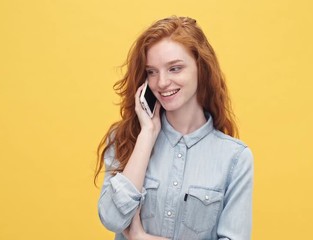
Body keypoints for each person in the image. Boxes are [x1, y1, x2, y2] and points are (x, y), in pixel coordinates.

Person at [95, 16, 254, 240]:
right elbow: (111, 218)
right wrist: (147, 134)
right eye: (152, 71)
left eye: (174, 68)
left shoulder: (235, 158)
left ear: (201, 68)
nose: (161, 83)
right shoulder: (126, 139)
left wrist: (143, 238)